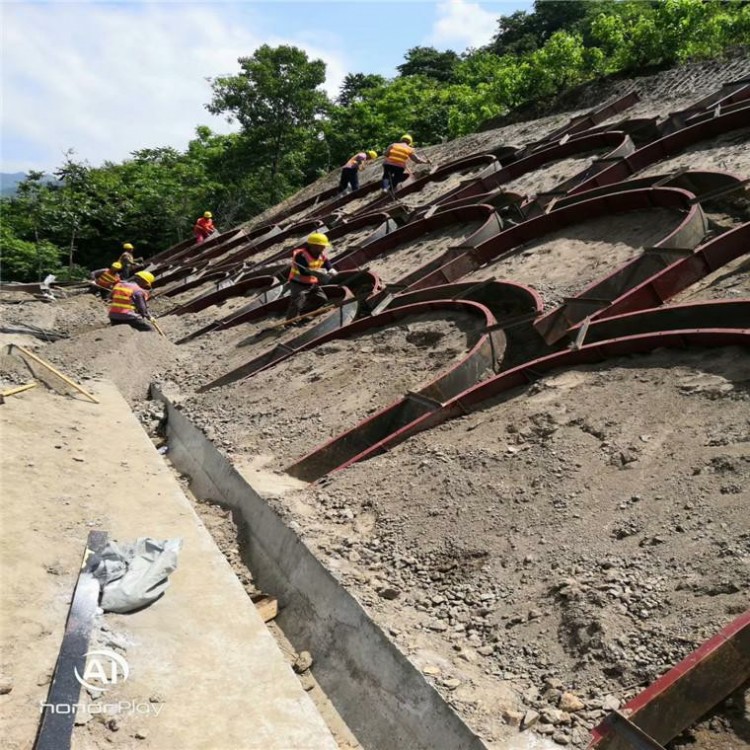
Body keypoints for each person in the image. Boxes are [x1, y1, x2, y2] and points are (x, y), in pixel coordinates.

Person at [285, 232, 338, 322]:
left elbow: (326, 262)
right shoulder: (301, 256)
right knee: (298, 302)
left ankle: (305, 313)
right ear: (313, 245)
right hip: (298, 283)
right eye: (322, 246)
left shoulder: (320, 254)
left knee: (321, 299)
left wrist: (330, 269)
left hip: (311, 282)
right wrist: (321, 273)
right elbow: (303, 271)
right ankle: (290, 321)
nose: (324, 248)